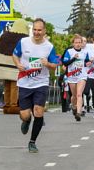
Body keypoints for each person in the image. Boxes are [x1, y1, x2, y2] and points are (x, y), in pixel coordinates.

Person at [13, 18, 61, 153]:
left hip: (41, 83)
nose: (37, 32)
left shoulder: (49, 47)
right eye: (34, 29)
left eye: (39, 30)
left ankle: (32, 142)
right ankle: (27, 121)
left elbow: (55, 65)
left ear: (44, 31)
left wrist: (48, 64)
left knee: (38, 111)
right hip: (24, 82)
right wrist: (18, 64)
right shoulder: (23, 42)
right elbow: (14, 55)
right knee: (25, 115)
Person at [62, 34, 87, 121]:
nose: (78, 44)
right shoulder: (69, 51)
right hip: (72, 76)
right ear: (73, 43)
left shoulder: (84, 52)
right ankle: (73, 106)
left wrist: (90, 61)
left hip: (82, 76)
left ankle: (78, 113)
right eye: (76, 42)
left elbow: (87, 62)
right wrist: (73, 58)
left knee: (79, 94)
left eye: (80, 42)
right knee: (74, 96)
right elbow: (65, 63)